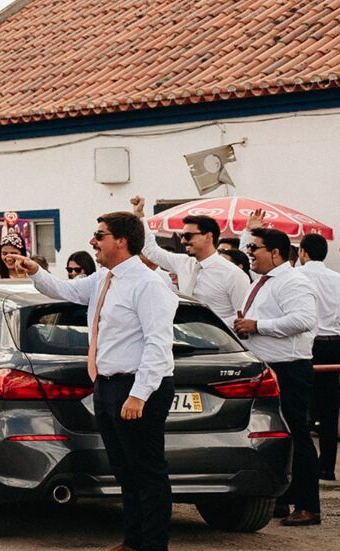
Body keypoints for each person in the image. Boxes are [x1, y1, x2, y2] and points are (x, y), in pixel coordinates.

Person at [17, 212, 177, 551]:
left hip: (137, 385)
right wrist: (34, 270)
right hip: (107, 383)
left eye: (99, 235)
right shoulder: (105, 278)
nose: (93, 242)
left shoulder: (147, 285)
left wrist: (139, 395)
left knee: (148, 471)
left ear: (121, 240)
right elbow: (67, 291)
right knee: (125, 470)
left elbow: (158, 343)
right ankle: (133, 542)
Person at [235, 227, 321, 525]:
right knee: (276, 435)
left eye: (254, 248)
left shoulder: (293, 281)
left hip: (289, 368)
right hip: (266, 366)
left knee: (296, 434)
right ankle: (282, 499)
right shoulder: (262, 281)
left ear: (275, 252)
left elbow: (304, 319)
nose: (250, 254)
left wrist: (257, 325)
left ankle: (309, 505)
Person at [129, 196, 249, 330]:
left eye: (188, 236)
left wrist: (210, 326)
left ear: (208, 237)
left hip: (221, 344)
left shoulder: (233, 274)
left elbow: (243, 316)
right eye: (182, 236)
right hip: (188, 341)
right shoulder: (183, 262)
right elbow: (151, 250)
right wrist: (139, 216)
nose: (183, 241)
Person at [297, 232, 340, 481]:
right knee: (329, 407)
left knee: (302, 405)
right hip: (333, 344)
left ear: (303, 252)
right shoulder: (337, 279)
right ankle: (327, 467)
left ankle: (304, 464)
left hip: (307, 344)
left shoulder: (297, 276)